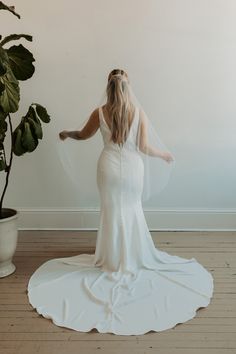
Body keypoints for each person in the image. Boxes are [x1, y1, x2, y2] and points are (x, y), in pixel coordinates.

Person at [27, 69, 214, 335]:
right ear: (128, 87)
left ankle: (111, 258)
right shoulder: (138, 113)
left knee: (111, 212)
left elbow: (83, 134)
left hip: (109, 168)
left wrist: (67, 133)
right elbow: (144, 147)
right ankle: (132, 256)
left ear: (109, 87)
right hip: (132, 170)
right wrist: (163, 155)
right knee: (132, 210)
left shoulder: (99, 112)